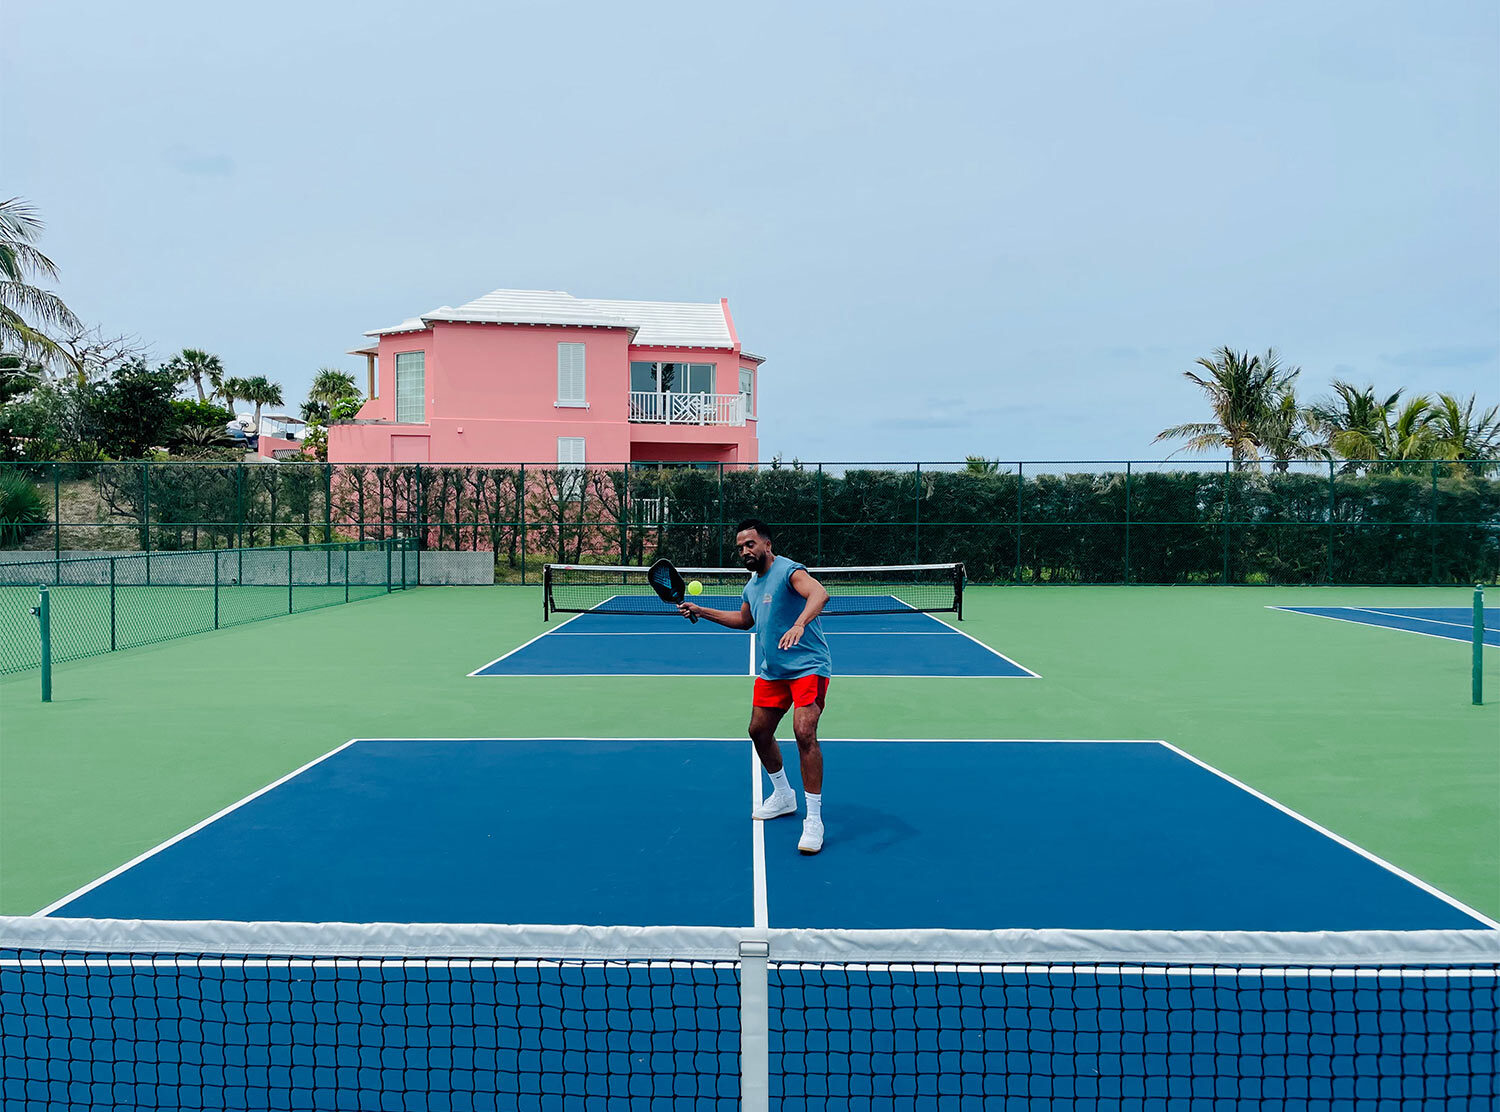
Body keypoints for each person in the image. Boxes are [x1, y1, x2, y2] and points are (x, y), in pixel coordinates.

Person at [678, 518, 832, 855]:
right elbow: (745, 620)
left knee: (804, 732)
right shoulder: (752, 585)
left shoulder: (791, 571)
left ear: (766, 544)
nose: (745, 551)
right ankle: (783, 795)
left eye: (750, 544)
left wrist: (799, 624)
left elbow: (819, 593)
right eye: (740, 548)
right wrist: (701, 610)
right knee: (758, 731)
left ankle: (814, 819)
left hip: (808, 667)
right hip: (774, 672)